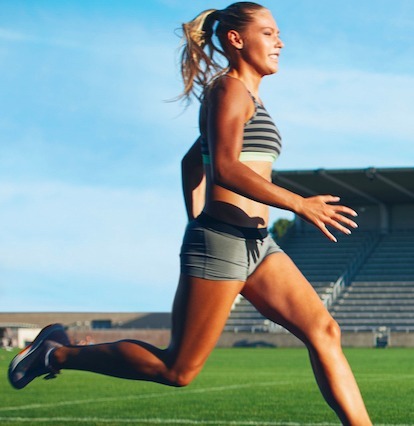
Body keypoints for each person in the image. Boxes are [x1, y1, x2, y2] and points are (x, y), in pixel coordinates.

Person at [7, 3, 371, 424]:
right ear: (237, 40)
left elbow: (191, 162)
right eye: (269, 33)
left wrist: (195, 220)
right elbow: (224, 167)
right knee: (177, 370)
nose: (280, 42)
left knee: (324, 331)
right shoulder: (228, 90)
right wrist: (295, 204)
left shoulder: (247, 97)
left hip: (258, 245)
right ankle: (56, 353)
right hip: (223, 244)